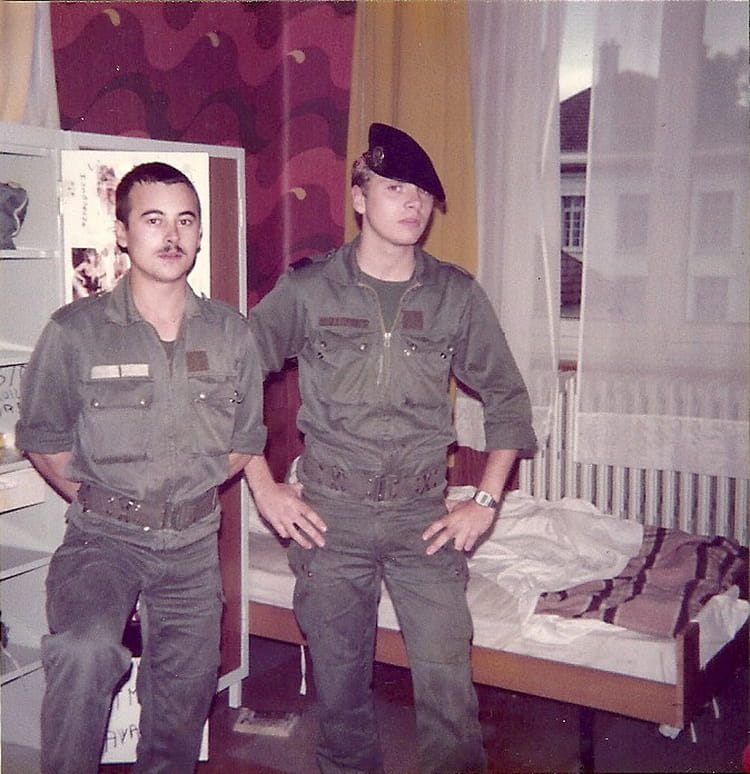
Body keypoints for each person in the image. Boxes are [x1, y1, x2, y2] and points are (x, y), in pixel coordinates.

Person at [244, 123, 537, 774]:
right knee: (340, 695)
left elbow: (508, 398)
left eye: (423, 194)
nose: (412, 202)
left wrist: (485, 500)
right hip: (330, 518)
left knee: (449, 692)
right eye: (395, 187)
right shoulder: (309, 289)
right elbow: (232, 384)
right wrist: (265, 487)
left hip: (422, 518)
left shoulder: (456, 294)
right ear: (359, 198)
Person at [15, 162, 267, 774]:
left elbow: (243, 442)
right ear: (123, 233)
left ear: (200, 233)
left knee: (184, 697)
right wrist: (111, 499)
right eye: (153, 220)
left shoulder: (231, 334)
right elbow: (43, 440)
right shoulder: (74, 332)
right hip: (103, 541)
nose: (171, 235)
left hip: (193, 545)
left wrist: (180, 495)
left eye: (185, 220)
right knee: (84, 652)